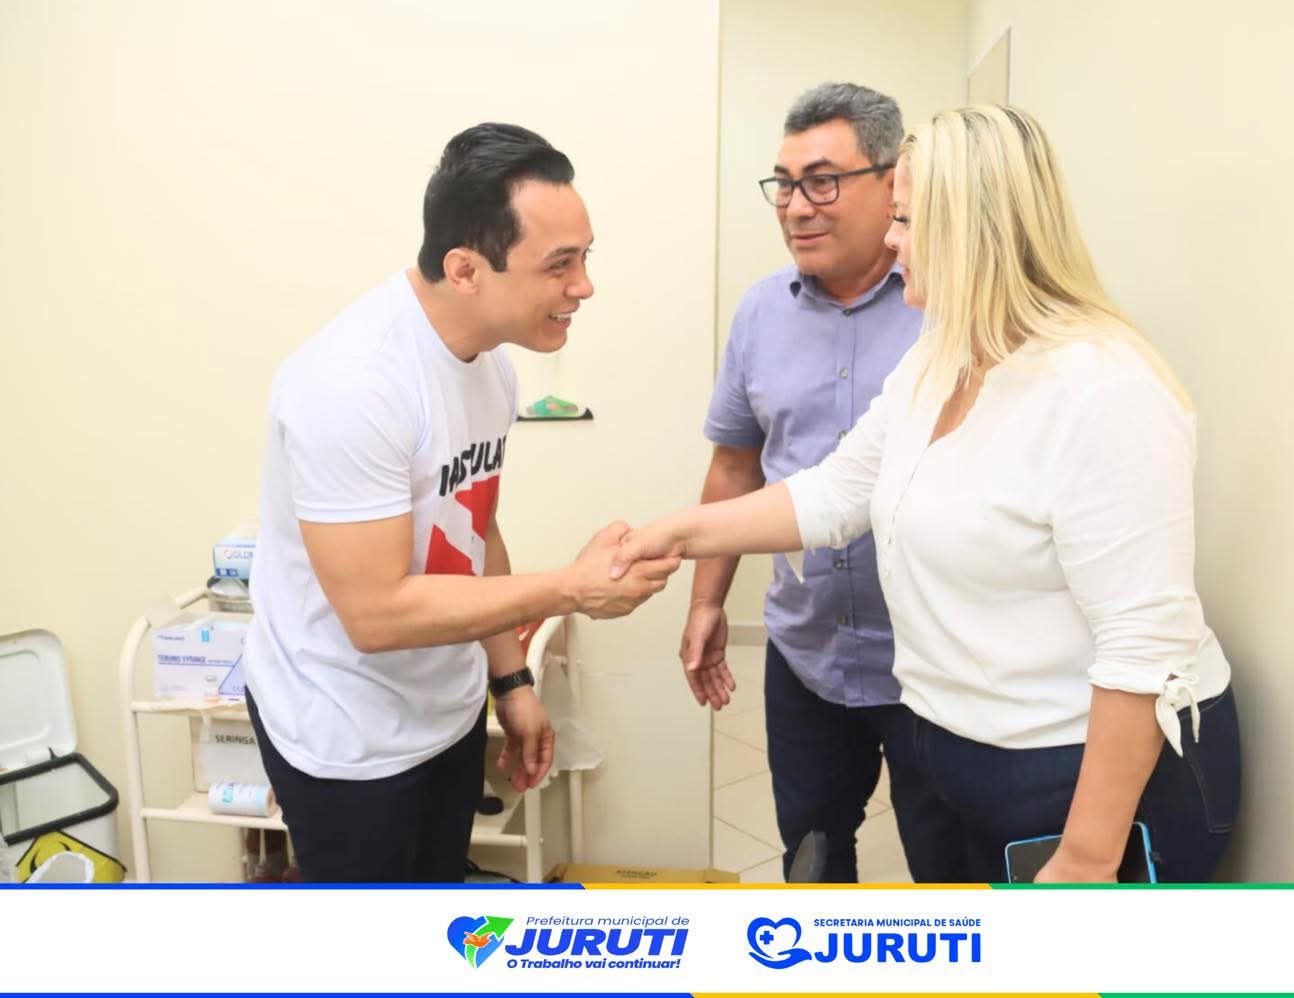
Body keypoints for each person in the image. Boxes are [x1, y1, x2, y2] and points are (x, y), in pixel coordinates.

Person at [617, 106, 1242, 883]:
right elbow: (836, 493)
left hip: (1090, 779)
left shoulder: (1103, 388)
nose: (891, 240)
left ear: (971, 231)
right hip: (967, 756)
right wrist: (674, 535)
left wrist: (1085, 858)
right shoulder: (941, 355)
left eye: (907, 220)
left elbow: (1144, 646)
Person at [243, 123, 680, 883]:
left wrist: (510, 679)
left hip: (444, 711)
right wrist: (570, 588)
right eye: (559, 264)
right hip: (345, 732)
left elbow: (474, 523)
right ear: (465, 268)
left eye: (585, 258)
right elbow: (376, 616)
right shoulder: (352, 385)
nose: (583, 286)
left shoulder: (490, 367)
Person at [692, 82, 962, 882]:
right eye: (784, 185)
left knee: (948, 870)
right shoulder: (759, 314)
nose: (796, 208)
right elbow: (734, 465)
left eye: (822, 182)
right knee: (811, 860)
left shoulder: (952, 307)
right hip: (807, 650)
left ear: (892, 179)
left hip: (933, 659)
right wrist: (706, 601)